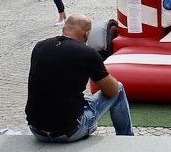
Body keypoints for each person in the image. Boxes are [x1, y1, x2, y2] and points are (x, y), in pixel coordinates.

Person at [25, 14, 133, 142]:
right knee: (119, 88)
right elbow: (112, 91)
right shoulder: (87, 53)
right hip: (70, 131)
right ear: (87, 34)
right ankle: (127, 140)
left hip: (36, 130)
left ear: (64, 28)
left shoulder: (39, 47)